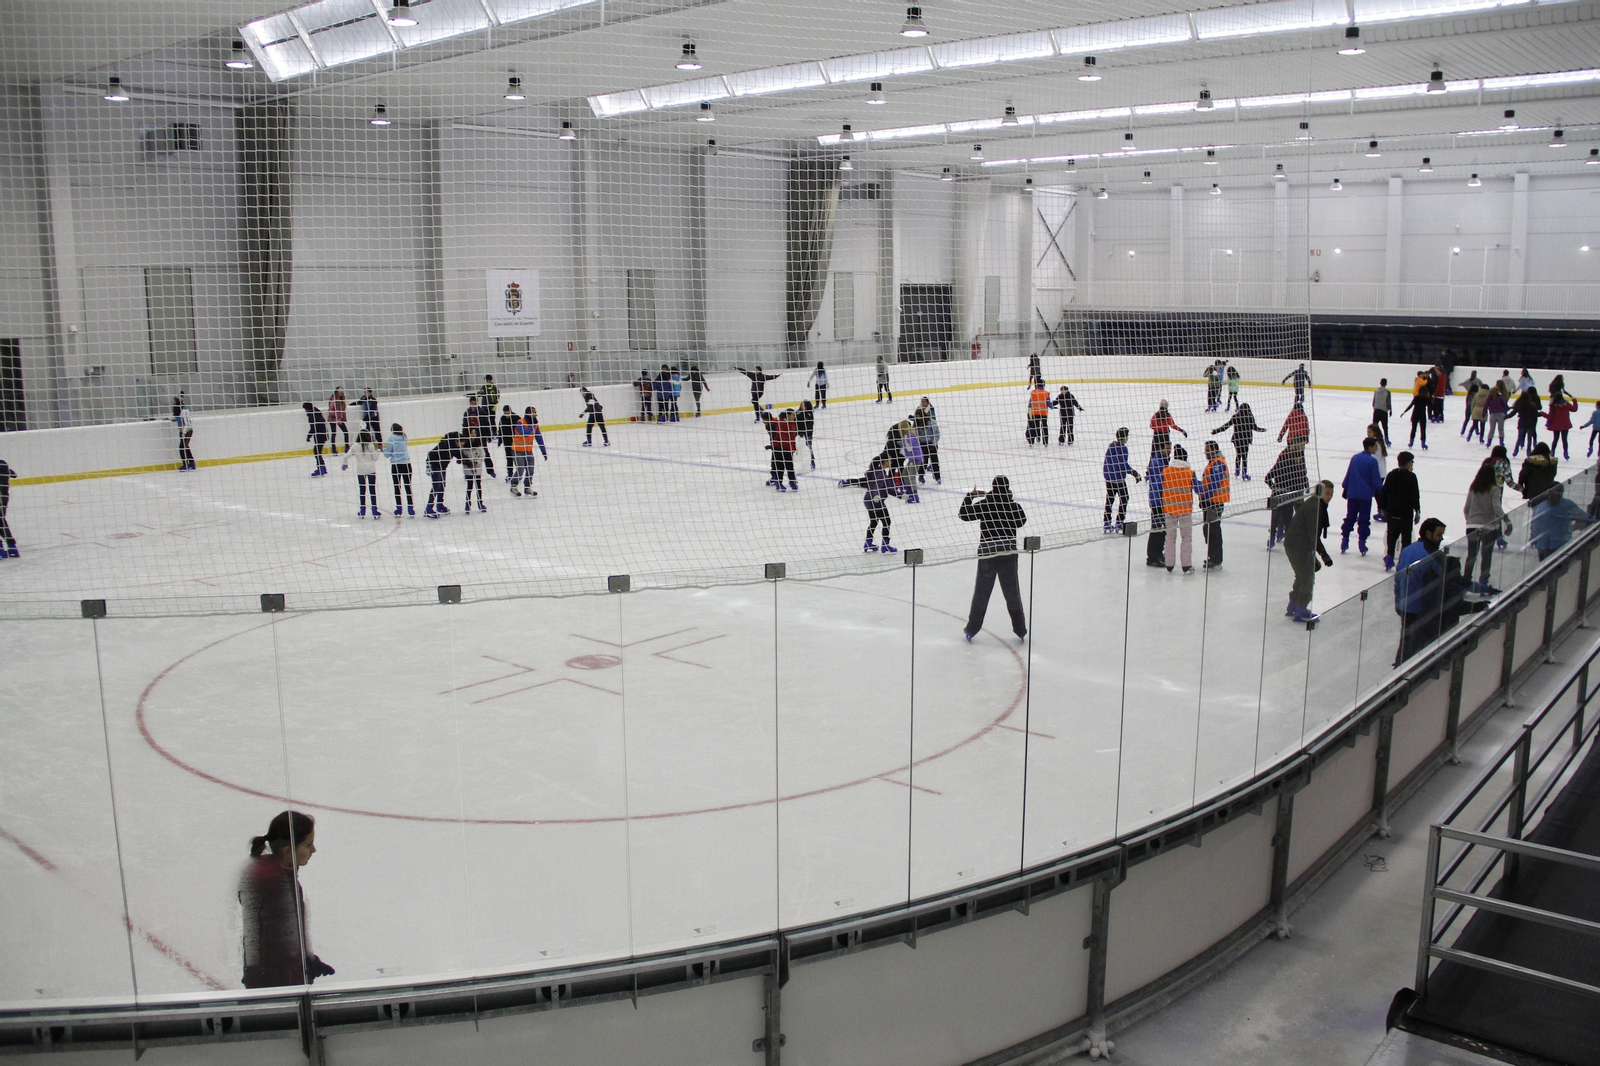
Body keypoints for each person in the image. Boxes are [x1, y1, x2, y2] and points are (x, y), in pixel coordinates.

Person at [239, 810, 333, 989]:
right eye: (308, 845)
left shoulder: (275, 873)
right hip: (279, 983)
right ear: (288, 852)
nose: (314, 850)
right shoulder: (274, 880)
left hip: (273, 977)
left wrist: (308, 959)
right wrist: (303, 965)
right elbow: (280, 940)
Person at [959, 476, 1029, 642]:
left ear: (993, 487)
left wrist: (970, 496)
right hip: (1008, 553)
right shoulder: (1013, 506)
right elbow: (1021, 521)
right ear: (1007, 488)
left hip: (987, 552)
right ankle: (1020, 630)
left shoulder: (985, 504)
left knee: (981, 594)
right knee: (1012, 593)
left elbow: (963, 515)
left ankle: (971, 629)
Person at [1395, 519, 1448, 663]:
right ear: (1428, 533)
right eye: (1439, 535)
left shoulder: (1406, 550)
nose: (1441, 538)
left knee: (1405, 640)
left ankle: (1399, 666)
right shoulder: (1433, 555)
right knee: (1418, 643)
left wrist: (1398, 602)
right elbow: (1448, 579)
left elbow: (1398, 578)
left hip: (1405, 605)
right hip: (1422, 608)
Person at [1284, 481, 1332, 623]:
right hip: (1298, 546)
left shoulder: (1316, 504)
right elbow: (1313, 535)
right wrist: (1323, 555)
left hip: (1296, 544)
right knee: (1307, 577)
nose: (1329, 497)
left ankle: (1293, 605)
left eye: (1331, 494)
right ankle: (1301, 609)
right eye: (1327, 493)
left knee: (1302, 575)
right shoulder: (1314, 508)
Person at [1463, 458, 1508, 594]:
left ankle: (1465, 582)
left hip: (1472, 526)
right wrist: (1506, 520)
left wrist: (1470, 521)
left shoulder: (1473, 488)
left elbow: (1466, 508)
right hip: (1488, 527)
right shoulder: (1494, 489)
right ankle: (1483, 583)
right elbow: (1496, 507)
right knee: (1486, 555)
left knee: (1471, 555)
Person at [1339, 438, 1384, 555]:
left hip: (1352, 494)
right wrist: (1382, 489)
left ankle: (1344, 539)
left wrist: (1346, 486)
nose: (1376, 448)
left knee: (1350, 517)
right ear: (1370, 447)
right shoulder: (1372, 461)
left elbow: (1348, 476)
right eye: (1375, 446)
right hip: (1365, 496)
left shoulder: (1355, 458)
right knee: (1364, 520)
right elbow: (1376, 481)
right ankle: (1362, 543)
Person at [1378, 451, 1420, 571]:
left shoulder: (1391, 475)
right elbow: (1414, 495)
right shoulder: (1411, 477)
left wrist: (1383, 507)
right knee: (1406, 538)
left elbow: (1384, 493)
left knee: (1392, 536)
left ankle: (1389, 556)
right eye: (1411, 462)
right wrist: (1417, 510)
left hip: (1393, 512)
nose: (1412, 465)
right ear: (1407, 463)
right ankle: (1403, 561)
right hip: (1405, 512)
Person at [1531, 484, 1594, 560]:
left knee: (1545, 568)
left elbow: (1535, 524)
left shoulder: (1541, 506)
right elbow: (1584, 517)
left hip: (1542, 545)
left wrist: (1534, 538)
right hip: (1560, 544)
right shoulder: (1566, 504)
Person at [1162, 444, 1198, 574]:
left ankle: (1169, 564)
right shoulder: (1190, 473)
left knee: (1170, 537)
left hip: (1169, 509)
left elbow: (1160, 487)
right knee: (1186, 537)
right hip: (1184, 510)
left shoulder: (1166, 471)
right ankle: (1186, 565)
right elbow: (1199, 490)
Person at [1265, 439, 1308, 548]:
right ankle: (1289, 541)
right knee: (1288, 519)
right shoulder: (1295, 468)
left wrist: (1274, 487)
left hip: (1276, 497)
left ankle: (1272, 538)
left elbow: (1267, 478)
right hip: (1288, 498)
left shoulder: (1280, 464)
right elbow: (1299, 481)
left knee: (1275, 517)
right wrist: (1304, 488)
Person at [1212, 402, 1265, 480]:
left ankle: (1237, 471)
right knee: (1244, 456)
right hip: (1246, 440)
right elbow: (1255, 427)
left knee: (1238, 454)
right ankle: (1244, 472)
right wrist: (1261, 430)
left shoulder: (1236, 417)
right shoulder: (1250, 417)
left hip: (1237, 439)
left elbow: (1226, 426)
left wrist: (1216, 431)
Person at [1102, 428, 1141, 533]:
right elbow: (1123, 464)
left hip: (1109, 477)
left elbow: (1108, 462)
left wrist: (1107, 474)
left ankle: (1106, 522)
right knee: (1124, 498)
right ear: (1124, 437)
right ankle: (1119, 521)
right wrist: (1134, 473)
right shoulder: (1123, 449)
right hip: (1118, 478)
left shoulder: (1111, 446)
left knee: (1110, 499)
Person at [1199, 440, 1230, 570]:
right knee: (1210, 529)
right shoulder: (1214, 463)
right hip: (1212, 501)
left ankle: (1216, 559)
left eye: (1207, 450)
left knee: (1213, 531)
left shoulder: (1218, 464)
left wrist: (1204, 498)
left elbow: (1214, 484)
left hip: (1214, 502)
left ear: (1213, 450)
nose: (1206, 453)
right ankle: (1213, 557)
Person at [862, 454, 900, 553]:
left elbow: (888, 489)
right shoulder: (880, 473)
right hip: (875, 501)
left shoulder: (878, 471)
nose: (891, 462)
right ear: (885, 462)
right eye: (890, 461)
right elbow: (876, 485)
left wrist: (900, 495)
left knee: (874, 522)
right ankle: (885, 545)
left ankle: (868, 543)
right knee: (887, 522)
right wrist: (876, 495)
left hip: (868, 500)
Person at [424, 431, 462, 518]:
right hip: (434, 464)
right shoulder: (446, 444)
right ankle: (428, 508)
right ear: (456, 440)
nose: (460, 444)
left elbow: (460, 455)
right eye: (460, 442)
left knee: (441, 485)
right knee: (436, 485)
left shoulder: (453, 446)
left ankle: (440, 505)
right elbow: (454, 453)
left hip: (442, 466)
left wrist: (463, 460)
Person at [1145, 439, 1170, 567]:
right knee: (1157, 528)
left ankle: (1156, 554)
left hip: (1160, 500)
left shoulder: (1163, 461)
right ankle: (1153, 556)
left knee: (1161, 528)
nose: (1169, 450)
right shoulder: (1157, 463)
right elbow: (1159, 483)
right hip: (1157, 500)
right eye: (1167, 448)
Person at [382, 424, 413, 516]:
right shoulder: (404, 437)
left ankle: (399, 508)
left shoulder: (391, 439)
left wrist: (384, 450)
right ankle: (410, 508)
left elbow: (387, 454)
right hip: (407, 464)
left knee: (397, 487)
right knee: (407, 486)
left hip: (396, 465)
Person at [508, 409, 537, 498]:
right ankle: (513, 486)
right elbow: (525, 433)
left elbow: (539, 436)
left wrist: (544, 451)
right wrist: (532, 425)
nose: (535, 414)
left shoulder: (535, 424)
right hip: (517, 450)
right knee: (520, 468)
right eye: (533, 412)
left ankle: (527, 487)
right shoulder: (520, 422)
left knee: (530, 469)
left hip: (528, 451)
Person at [769, 409, 800, 492]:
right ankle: (779, 483)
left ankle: (792, 481)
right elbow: (784, 437)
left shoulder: (793, 424)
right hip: (779, 448)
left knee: (790, 466)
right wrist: (790, 447)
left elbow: (793, 435)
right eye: (793, 415)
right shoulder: (782, 423)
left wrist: (793, 447)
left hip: (788, 448)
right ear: (788, 415)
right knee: (780, 466)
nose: (794, 416)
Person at [913, 398, 941, 483]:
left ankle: (937, 477)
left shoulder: (931, 422)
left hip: (931, 444)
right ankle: (921, 475)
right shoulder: (917, 424)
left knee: (934, 461)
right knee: (923, 461)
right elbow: (915, 435)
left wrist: (933, 444)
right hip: (922, 444)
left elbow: (936, 434)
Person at [1544, 389, 1578, 460]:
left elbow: (1550, 416)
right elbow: (1574, 409)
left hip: (1556, 425)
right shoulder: (1566, 404)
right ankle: (1565, 452)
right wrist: (1574, 401)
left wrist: (1541, 413)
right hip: (1565, 425)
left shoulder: (1553, 406)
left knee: (1555, 439)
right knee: (1564, 439)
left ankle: (1552, 452)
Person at [1512, 387, 1543, 456]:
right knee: (1531, 435)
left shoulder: (1520, 403)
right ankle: (1530, 449)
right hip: (1531, 420)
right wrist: (1542, 414)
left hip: (1522, 421)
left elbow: (1514, 411)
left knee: (1520, 436)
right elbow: (1539, 409)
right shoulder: (1533, 402)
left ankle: (1517, 448)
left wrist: (1506, 416)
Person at [302, 402, 329, 477]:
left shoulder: (312, 416)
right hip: (322, 435)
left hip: (319, 435)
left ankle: (321, 468)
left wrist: (309, 436)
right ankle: (322, 467)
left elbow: (313, 428)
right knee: (317, 451)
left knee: (317, 451)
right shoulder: (317, 413)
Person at [1026, 381, 1053, 446]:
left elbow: (1030, 403)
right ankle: (1045, 442)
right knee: (1044, 426)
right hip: (1043, 413)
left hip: (1035, 412)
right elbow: (1048, 403)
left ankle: (1031, 441)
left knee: (1034, 426)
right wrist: (1052, 407)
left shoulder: (1033, 393)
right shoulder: (1046, 393)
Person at [172, 395, 195, 471]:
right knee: (185, 446)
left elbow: (187, 422)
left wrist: (184, 432)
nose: (173, 403)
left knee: (182, 447)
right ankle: (191, 463)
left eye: (175, 402)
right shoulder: (179, 411)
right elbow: (178, 418)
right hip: (183, 431)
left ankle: (186, 464)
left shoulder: (184, 411)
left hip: (187, 431)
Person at [0, 457, 17, 558]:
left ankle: (1, 550)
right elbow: (14, 474)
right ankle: (12, 547)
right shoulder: (2, 464)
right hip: (4, 497)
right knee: (1, 520)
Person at [1484, 381, 1510, 447]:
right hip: (1501, 414)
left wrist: (1483, 414)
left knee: (1492, 429)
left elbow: (1485, 406)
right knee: (1501, 428)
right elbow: (1505, 406)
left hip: (1492, 414)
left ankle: (1489, 442)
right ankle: (1501, 442)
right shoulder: (1501, 397)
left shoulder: (1489, 398)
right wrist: (1508, 408)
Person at [796, 400, 818, 470]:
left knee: (809, 447)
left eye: (804, 405)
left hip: (808, 434)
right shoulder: (798, 413)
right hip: (799, 435)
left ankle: (812, 462)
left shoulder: (809, 414)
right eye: (801, 405)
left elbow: (809, 424)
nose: (802, 406)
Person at [327, 387, 349, 454]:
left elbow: (343, 411)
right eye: (340, 392)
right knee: (334, 433)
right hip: (333, 419)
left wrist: (342, 419)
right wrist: (337, 419)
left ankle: (347, 447)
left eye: (342, 392)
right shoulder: (333, 400)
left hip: (340, 419)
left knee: (345, 432)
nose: (341, 394)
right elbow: (331, 410)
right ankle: (333, 449)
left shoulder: (341, 400)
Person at [1372, 377, 1393, 445]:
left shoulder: (1376, 391)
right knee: (1385, 426)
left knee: (1374, 426)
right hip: (1383, 411)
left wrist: (1375, 407)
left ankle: (1373, 438)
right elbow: (1388, 402)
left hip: (1376, 410)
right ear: (1386, 384)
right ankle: (1386, 440)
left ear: (1380, 383)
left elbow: (1374, 401)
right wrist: (1390, 410)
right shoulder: (1387, 392)